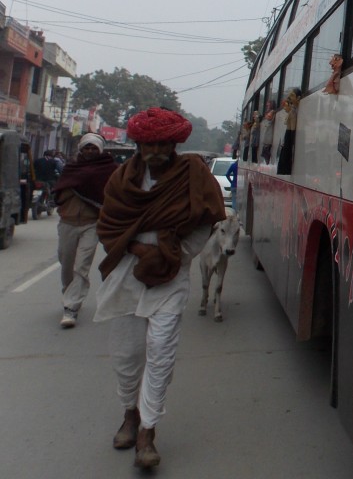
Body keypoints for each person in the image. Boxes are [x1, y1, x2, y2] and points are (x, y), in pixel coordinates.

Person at [93, 107, 225, 469]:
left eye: (161, 143)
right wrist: (138, 251)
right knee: (127, 354)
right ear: (137, 145)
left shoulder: (193, 174)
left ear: (174, 143)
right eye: (147, 144)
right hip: (126, 275)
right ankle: (129, 415)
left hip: (171, 276)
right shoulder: (122, 180)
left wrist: (174, 256)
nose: (154, 151)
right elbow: (108, 226)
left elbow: (206, 223)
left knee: (161, 351)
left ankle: (148, 432)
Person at [51, 133, 117, 328]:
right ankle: (68, 293)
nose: (90, 151)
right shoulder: (70, 169)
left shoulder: (110, 170)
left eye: (94, 148)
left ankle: (71, 307)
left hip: (91, 223)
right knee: (66, 263)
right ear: (81, 149)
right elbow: (59, 191)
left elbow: (112, 196)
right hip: (67, 222)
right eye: (86, 147)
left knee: (82, 265)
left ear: (101, 149)